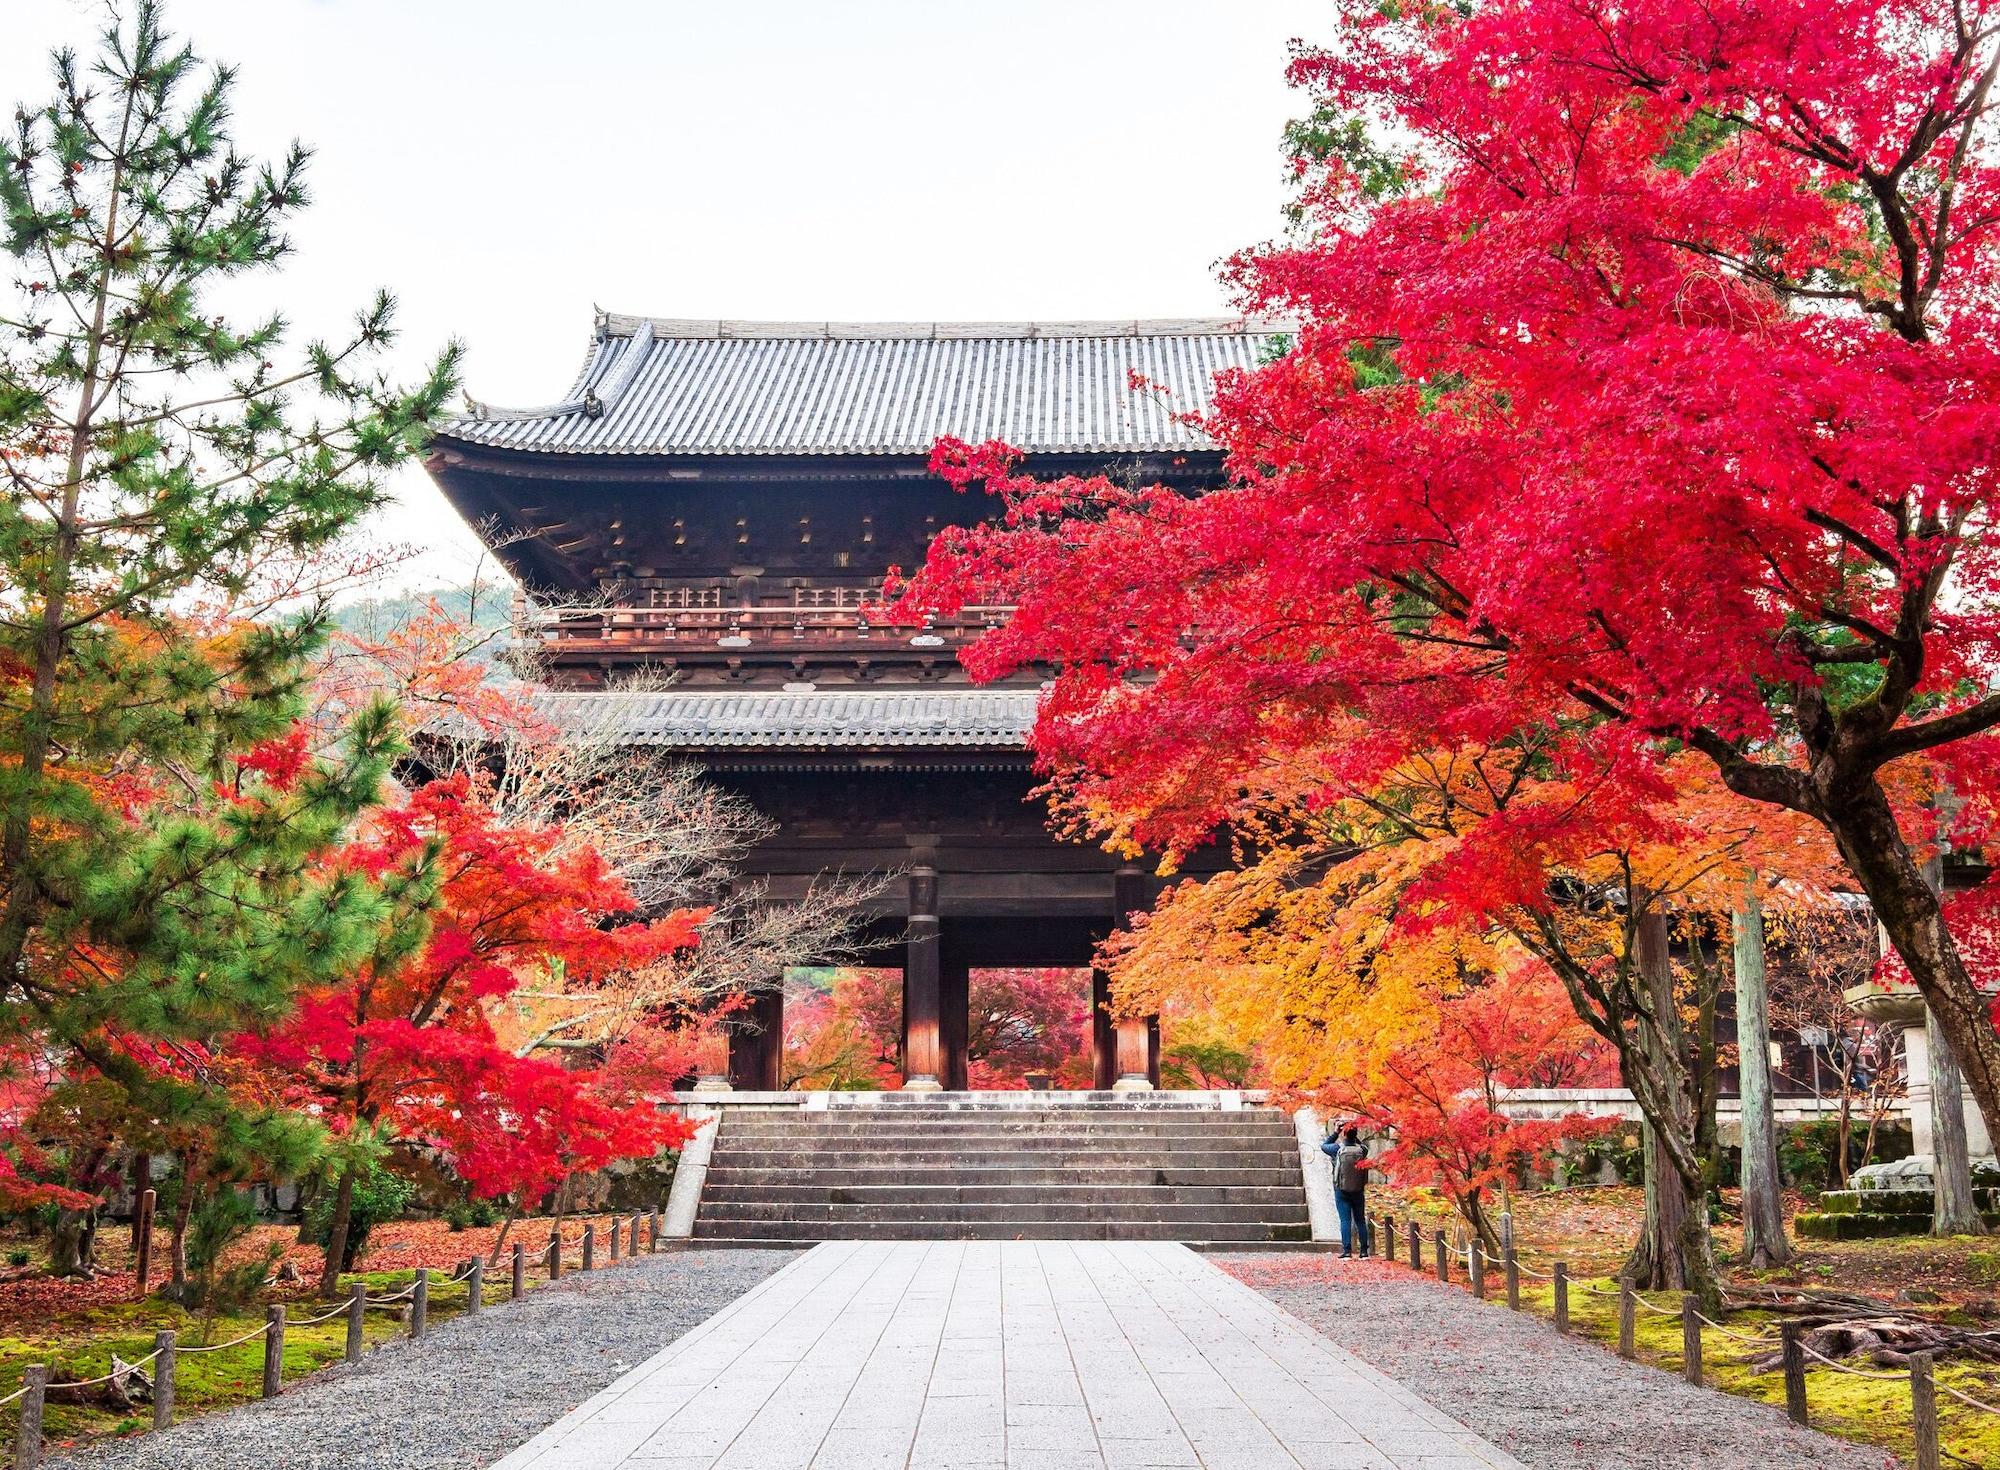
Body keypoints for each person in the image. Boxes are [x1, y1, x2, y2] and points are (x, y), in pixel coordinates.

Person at [1321, 1125, 1373, 1258]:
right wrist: (1354, 1135)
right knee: (1360, 1220)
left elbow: (1324, 1146)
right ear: (1355, 1134)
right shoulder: (1362, 1150)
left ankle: (1347, 1251)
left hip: (1341, 1190)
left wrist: (1335, 1132)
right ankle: (1364, 1252)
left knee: (1345, 1221)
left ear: (1344, 1134)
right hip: (1358, 1190)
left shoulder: (1337, 1149)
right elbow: (1364, 1146)